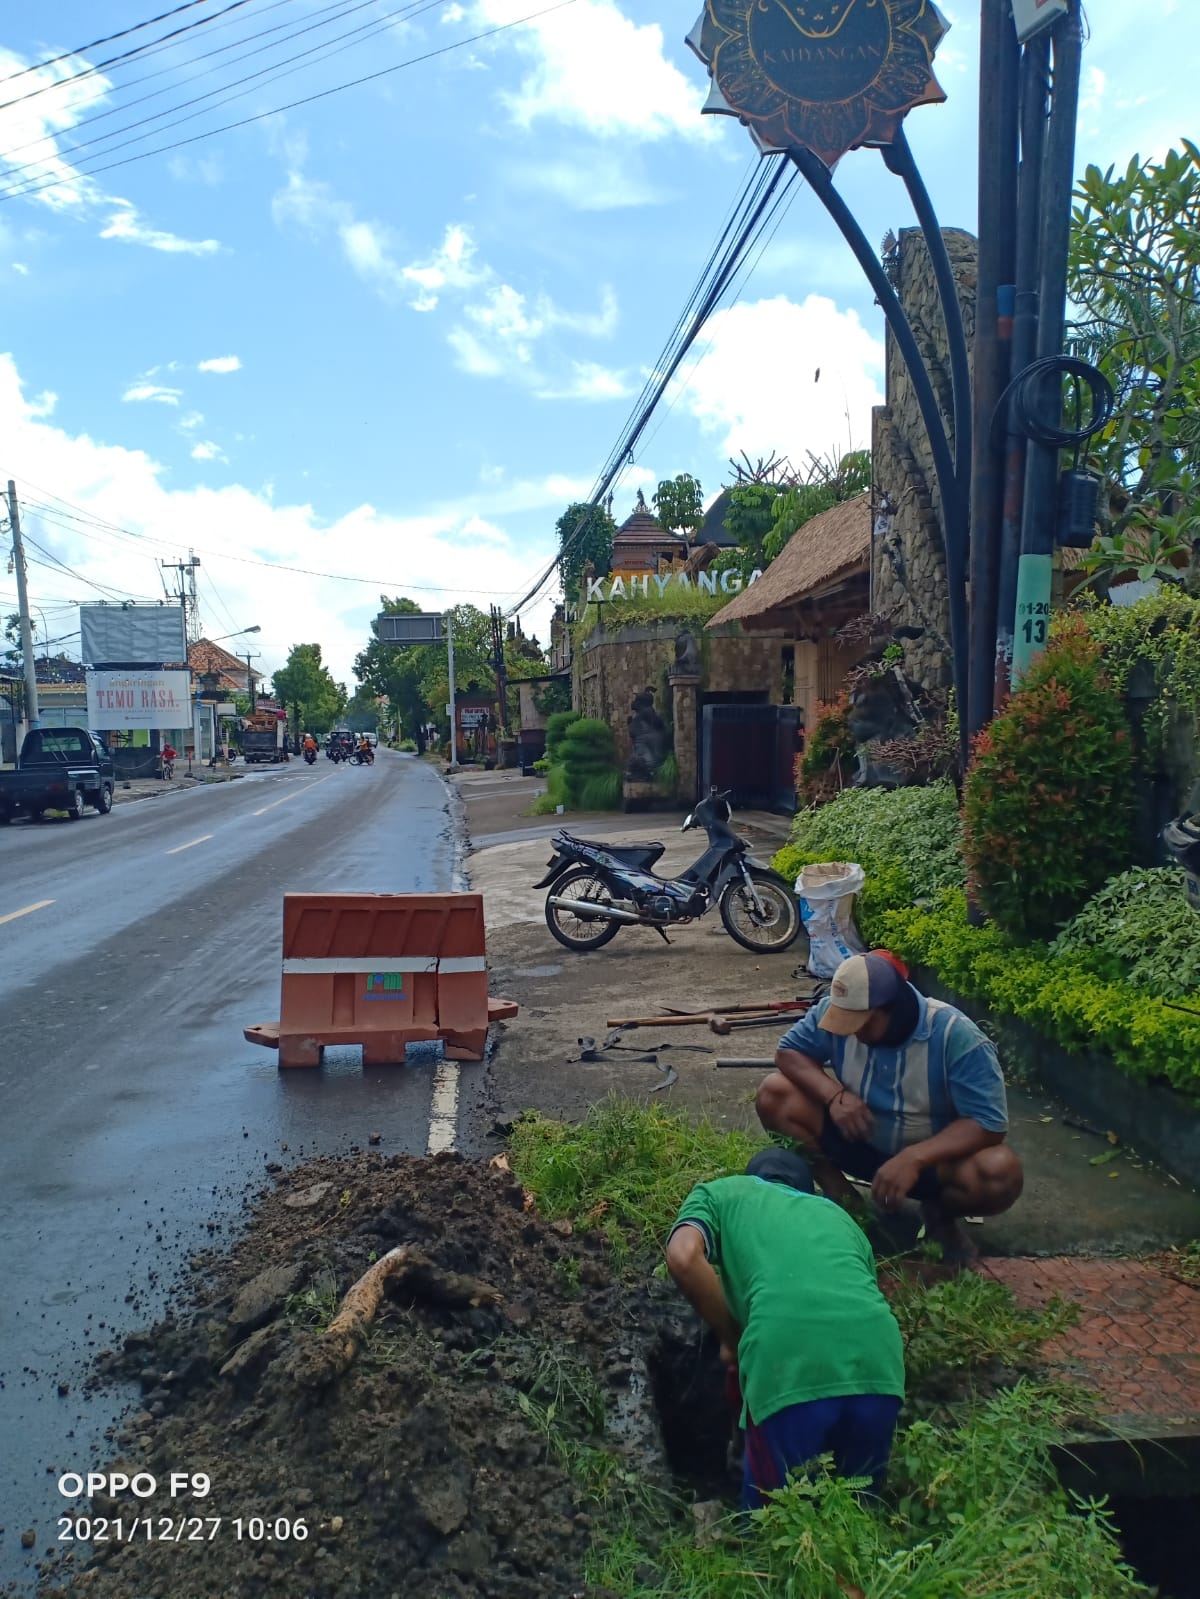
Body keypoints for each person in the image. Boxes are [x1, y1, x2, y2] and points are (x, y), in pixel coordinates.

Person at [667, 1148, 905, 1510]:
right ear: (806, 1193)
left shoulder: (722, 1193)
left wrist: (733, 1337)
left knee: (772, 1527)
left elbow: (683, 1256)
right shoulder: (839, 1218)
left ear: (751, 1180)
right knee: (859, 1516)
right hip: (880, 1362)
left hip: (787, 1360)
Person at [758, 952, 1023, 1264]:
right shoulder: (835, 1011)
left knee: (999, 1172)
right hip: (855, 1141)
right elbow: (789, 1053)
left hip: (929, 1165)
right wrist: (834, 1095)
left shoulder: (956, 1036)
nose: (853, 1033)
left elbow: (989, 1123)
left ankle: (939, 1214)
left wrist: (915, 1157)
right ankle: (843, 1198)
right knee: (774, 1093)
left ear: (893, 1009)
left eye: (863, 1024)